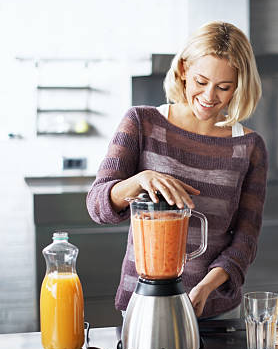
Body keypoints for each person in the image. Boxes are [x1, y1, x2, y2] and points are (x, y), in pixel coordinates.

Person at [86, 21, 268, 320]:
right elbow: (97, 205)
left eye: (224, 87)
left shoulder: (250, 146)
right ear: (183, 69)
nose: (210, 96)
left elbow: (246, 239)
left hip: (212, 309)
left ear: (239, 86)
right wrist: (139, 181)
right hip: (143, 303)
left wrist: (206, 287)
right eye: (201, 81)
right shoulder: (141, 123)